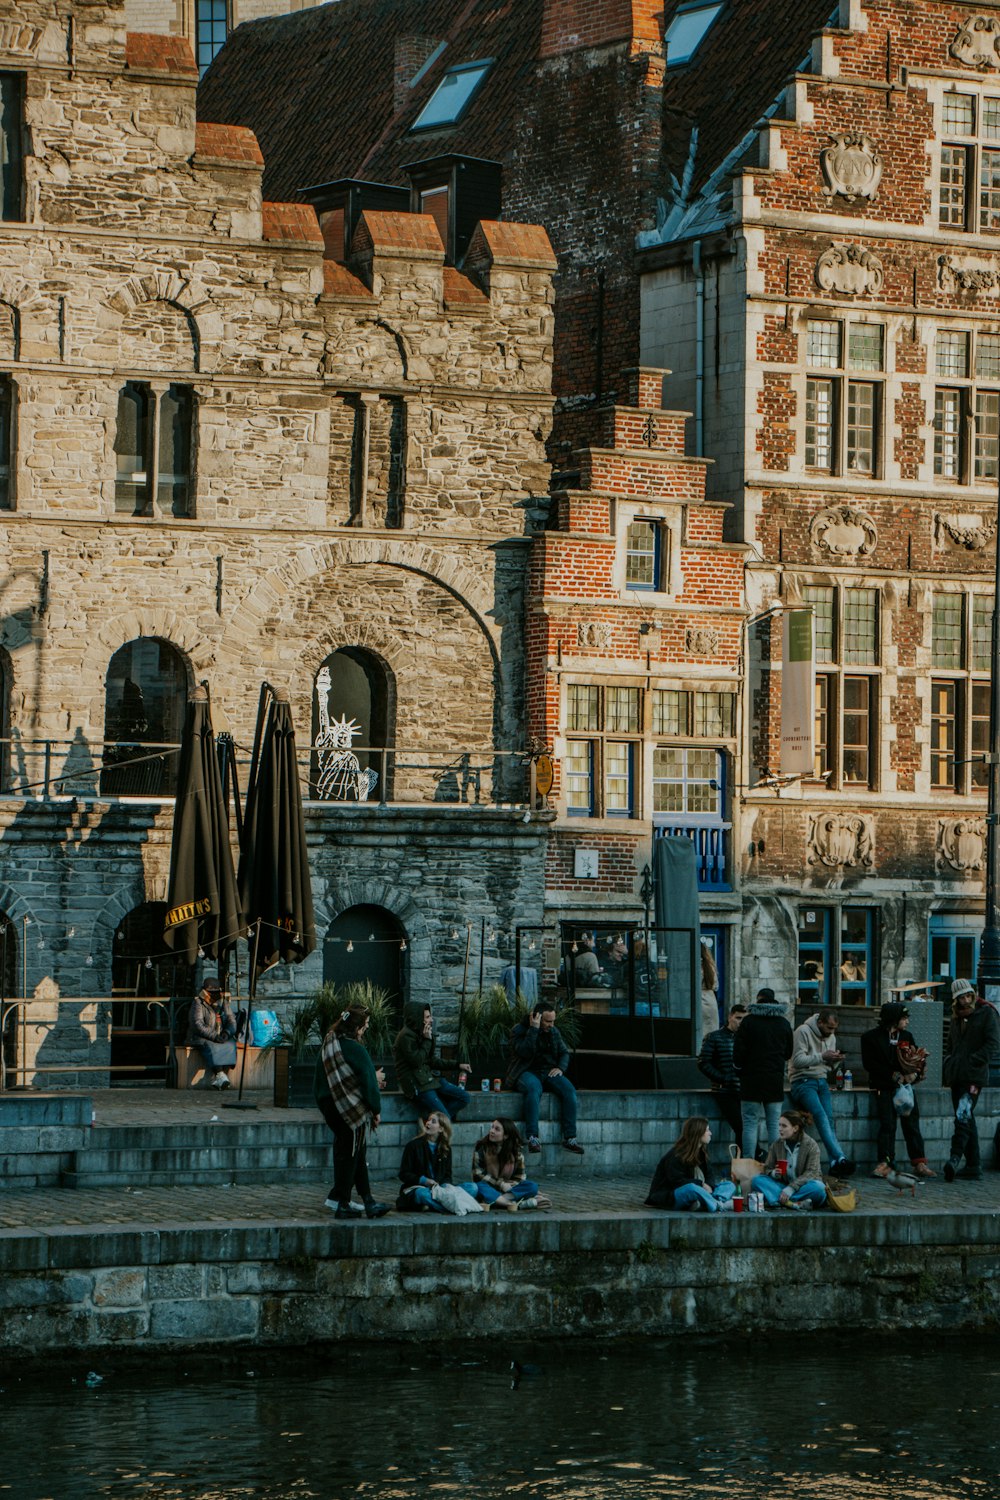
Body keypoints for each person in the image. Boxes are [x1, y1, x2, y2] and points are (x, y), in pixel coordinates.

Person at [315, 1004, 391, 1220]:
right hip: (350, 1110)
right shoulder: (356, 1049)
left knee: (356, 1153)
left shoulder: (329, 1044)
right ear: (356, 1028)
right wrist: (375, 1109)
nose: (365, 1030)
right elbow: (367, 1082)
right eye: (364, 1026)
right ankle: (344, 1202)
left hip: (331, 1107)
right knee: (351, 1156)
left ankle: (368, 1201)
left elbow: (321, 1080)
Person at [860, 1001, 934, 1179]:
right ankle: (885, 1162)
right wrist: (893, 1075)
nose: (907, 1021)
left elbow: (915, 1060)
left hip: (905, 1088)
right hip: (883, 1086)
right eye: (904, 1018)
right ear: (893, 1019)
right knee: (887, 1125)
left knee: (912, 1125)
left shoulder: (906, 1036)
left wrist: (915, 1074)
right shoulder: (870, 1037)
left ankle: (919, 1162)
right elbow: (870, 1064)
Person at [505, 1003, 584, 1155]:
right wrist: (533, 1030)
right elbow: (525, 1052)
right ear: (537, 1017)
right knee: (534, 1089)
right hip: (525, 1071)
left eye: (553, 1021)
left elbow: (564, 1053)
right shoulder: (519, 1031)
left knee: (569, 1091)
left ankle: (570, 1138)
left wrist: (560, 1068)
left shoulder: (554, 1031)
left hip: (548, 1071)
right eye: (548, 1021)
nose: (551, 1025)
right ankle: (533, 1137)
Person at [942, 978, 1000, 1182]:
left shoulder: (986, 1013)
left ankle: (954, 1158)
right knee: (967, 1118)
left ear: (973, 995)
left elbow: (993, 1043)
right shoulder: (956, 1017)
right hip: (957, 1075)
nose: (966, 1000)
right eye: (961, 997)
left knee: (963, 1115)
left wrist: (974, 1060)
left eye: (968, 995)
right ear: (955, 1000)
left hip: (974, 1075)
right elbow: (951, 1044)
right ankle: (973, 1165)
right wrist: (948, 1062)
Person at [789, 1009, 856, 1176]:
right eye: (829, 1028)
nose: (831, 1032)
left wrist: (835, 1062)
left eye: (834, 1028)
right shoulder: (802, 1031)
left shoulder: (831, 1037)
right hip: (803, 1081)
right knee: (820, 1114)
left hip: (821, 1080)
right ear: (820, 1023)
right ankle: (840, 1157)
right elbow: (797, 1060)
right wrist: (822, 1056)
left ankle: (835, 1162)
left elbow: (826, 1066)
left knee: (829, 1118)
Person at [732, 986, 793, 1159]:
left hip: (750, 1080)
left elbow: (738, 1052)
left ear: (758, 1000)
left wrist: (739, 1069)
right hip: (774, 1080)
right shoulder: (783, 1023)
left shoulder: (748, 1022)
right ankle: (774, 1164)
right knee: (774, 1125)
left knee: (750, 1124)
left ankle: (749, 1163)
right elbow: (788, 1053)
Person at [393, 1002, 470, 1120]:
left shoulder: (424, 1034)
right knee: (445, 1119)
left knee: (464, 1097)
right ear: (418, 1019)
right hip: (417, 1084)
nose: (432, 1020)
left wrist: (458, 1065)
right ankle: (439, 1122)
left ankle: (434, 1122)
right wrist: (427, 1041)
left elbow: (432, 1061)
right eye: (428, 1017)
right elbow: (416, 1061)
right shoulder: (405, 1037)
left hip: (430, 1079)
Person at [644, 1116, 736, 1212]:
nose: (710, 1133)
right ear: (698, 1133)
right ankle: (718, 1205)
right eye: (707, 1130)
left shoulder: (702, 1152)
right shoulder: (676, 1155)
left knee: (729, 1185)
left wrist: (709, 1185)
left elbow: (709, 1175)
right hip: (670, 1195)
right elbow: (677, 1182)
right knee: (691, 1188)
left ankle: (706, 1202)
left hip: (698, 1191)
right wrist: (701, 1184)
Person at [396, 1110, 478, 1213]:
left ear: (441, 1129)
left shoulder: (446, 1149)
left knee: (473, 1188)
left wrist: (445, 1186)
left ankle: (436, 1205)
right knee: (421, 1194)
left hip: (439, 1189)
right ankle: (453, 1207)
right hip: (420, 1188)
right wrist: (424, 1180)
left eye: (433, 1121)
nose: (428, 1123)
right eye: (428, 1120)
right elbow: (403, 1174)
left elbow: (447, 1175)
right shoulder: (413, 1145)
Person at [750, 1111, 827, 1210]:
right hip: (783, 1187)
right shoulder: (776, 1145)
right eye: (779, 1125)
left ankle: (781, 1201)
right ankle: (796, 1203)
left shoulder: (811, 1145)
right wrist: (773, 1173)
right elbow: (767, 1168)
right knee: (757, 1180)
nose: (780, 1129)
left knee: (819, 1188)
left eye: (784, 1126)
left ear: (795, 1128)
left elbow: (812, 1172)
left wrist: (791, 1188)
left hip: (802, 1187)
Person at [469, 1117, 546, 1210]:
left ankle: (496, 1202)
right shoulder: (481, 1147)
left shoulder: (516, 1152)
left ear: (506, 1135)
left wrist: (510, 1185)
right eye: (492, 1127)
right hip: (489, 1187)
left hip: (509, 1190)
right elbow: (477, 1174)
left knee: (532, 1186)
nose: (492, 1131)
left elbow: (520, 1177)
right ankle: (512, 1204)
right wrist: (501, 1184)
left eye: (497, 1129)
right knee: (477, 1187)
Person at [697, 1004, 747, 1143]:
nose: (740, 1022)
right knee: (741, 1128)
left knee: (744, 1129)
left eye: (744, 1019)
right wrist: (722, 1079)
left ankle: (747, 1158)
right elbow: (703, 1062)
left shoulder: (746, 1039)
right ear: (730, 1017)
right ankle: (752, 1156)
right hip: (724, 1091)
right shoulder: (714, 1037)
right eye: (738, 1018)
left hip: (743, 1090)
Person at [186, 979, 237, 1089]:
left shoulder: (223, 1002)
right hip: (202, 1036)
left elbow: (231, 1020)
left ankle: (222, 1077)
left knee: (230, 1044)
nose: (212, 994)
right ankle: (220, 1075)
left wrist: (226, 1033)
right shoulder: (198, 1002)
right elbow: (197, 1024)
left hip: (220, 1034)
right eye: (210, 991)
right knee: (212, 1045)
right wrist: (213, 1036)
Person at [700, 944, 720, 1039]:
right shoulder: (710, 965)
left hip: (699, 998)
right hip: (710, 998)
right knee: (710, 1031)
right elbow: (715, 986)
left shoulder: (697, 966)